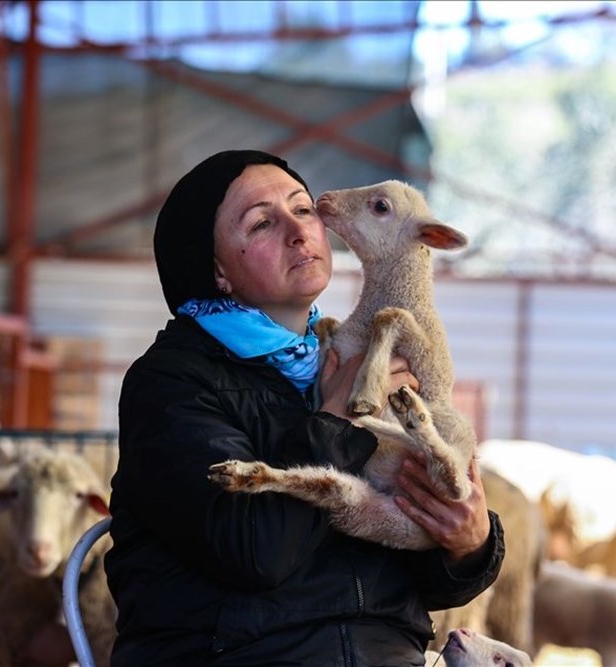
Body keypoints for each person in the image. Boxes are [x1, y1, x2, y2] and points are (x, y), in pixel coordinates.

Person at [104, 149, 505, 666]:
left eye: (302, 209)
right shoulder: (172, 384)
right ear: (216, 270)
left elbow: (410, 569)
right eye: (263, 224)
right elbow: (255, 552)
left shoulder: (348, 358)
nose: (299, 232)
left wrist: (468, 543)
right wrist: (337, 420)